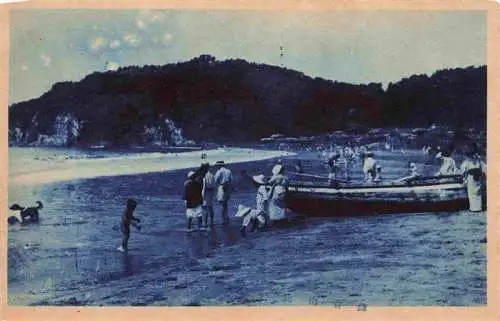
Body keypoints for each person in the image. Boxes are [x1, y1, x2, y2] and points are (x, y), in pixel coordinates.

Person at [201, 163, 217, 228]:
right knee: (210, 208)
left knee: (204, 209)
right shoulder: (212, 175)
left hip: (205, 193)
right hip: (211, 193)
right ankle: (212, 222)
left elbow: (204, 187)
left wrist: (202, 196)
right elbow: (214, 186)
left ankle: (205, 223)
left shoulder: (204, 176)